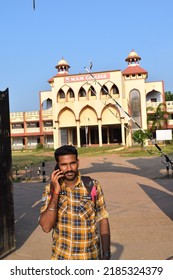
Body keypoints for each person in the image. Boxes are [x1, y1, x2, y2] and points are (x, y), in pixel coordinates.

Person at [39, 145, 111, 260]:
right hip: (61, 257)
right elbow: (46, 227)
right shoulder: (50, 189)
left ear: (78, 162)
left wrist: (106, 254)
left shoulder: (93, 186)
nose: (69, 169)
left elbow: (103, 219)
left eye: (72, 163)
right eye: (63, 165)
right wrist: (56, 193)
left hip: (89, 257)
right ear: (58, 166)